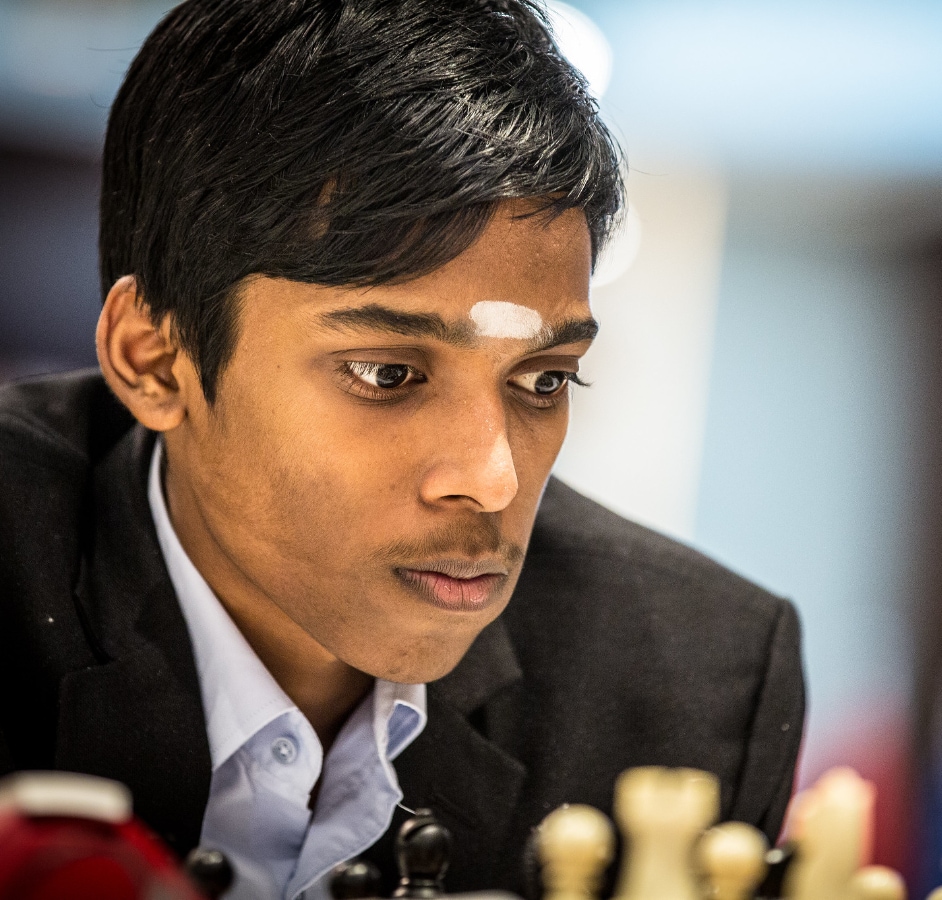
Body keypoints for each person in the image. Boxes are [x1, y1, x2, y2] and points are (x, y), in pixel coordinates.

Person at [0, 0, 804, 897]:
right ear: (154, 359)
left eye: (543, 379)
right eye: (387, 375)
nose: (493, 480)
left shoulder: (688, 682)